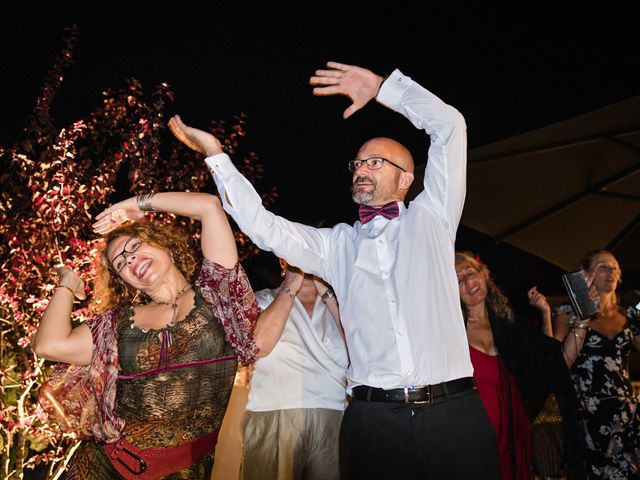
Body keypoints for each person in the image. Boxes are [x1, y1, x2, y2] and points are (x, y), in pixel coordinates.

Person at [169, 61, 501, 478]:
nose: (362, 168)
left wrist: (383, 88)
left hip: (453, 414)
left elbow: (450, 126)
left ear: (405, 180)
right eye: (358, 164)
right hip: (373, 420)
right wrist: (216, 156)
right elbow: (263, 226)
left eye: (377, 162)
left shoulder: (433, 219)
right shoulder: (335, 246)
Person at [34, 192, 280, 479]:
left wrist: (135, 204)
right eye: (120, 263)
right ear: (124, 280)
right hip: (101, 467)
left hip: (181, 471)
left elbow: (208, 206)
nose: (130, 259)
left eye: (135, 246)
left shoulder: (216, 294)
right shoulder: (117, 325)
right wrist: (67, 283)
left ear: (165, 246)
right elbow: (49, 344)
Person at [455, 252, 582, 480]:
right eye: (458, 280)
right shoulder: (450, 333)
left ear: (484, 275)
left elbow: (557, 364)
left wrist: (582, 322)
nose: (468, 282)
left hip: (515, 435)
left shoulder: (513, 327)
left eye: (471, 273)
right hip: (472, 440)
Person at [241, 259, 348, 480]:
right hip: (275, 413)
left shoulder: (340, 304)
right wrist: (289, 288)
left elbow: (360, 355)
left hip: (335, 417)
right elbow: (257, 345)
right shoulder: (264, 300)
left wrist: (329, 298)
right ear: (283, 261)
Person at [554, 250, 640, 479]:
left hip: (622, 412)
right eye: (603, 266)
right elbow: (555, 359)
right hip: (585, 411)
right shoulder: (568, 312)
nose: (610, 272)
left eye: (615, 267)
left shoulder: (630, 315)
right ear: (586, 274)